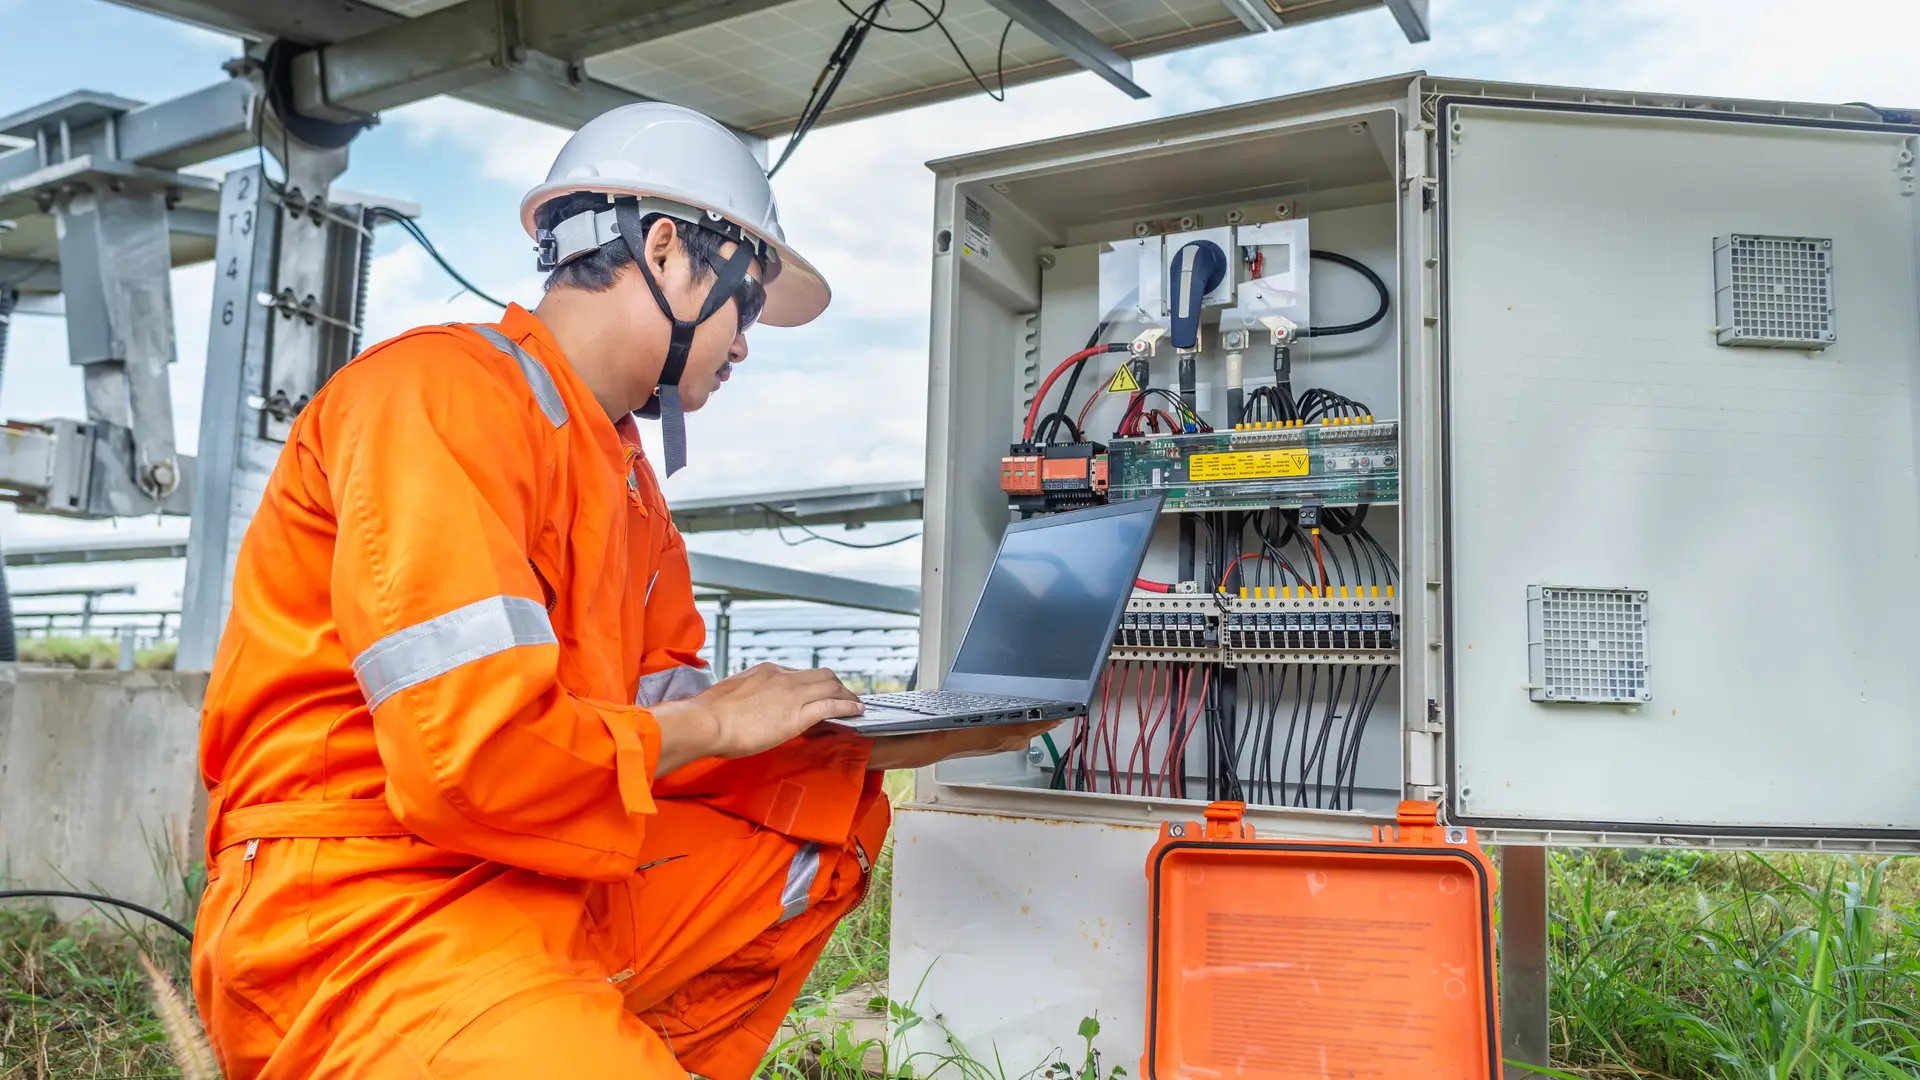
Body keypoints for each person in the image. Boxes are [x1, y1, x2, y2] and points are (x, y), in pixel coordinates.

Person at [191, 102, 1054, 1078]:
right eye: (751, 305)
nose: (746, 345)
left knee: (825, 818)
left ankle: (602, 1044)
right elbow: (465, 760)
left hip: (527, 871)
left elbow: (644, 722)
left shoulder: (627, 483)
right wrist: (720, 725)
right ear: (666, 249)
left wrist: (864, 738)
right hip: (364, 904)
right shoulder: (439, 396)